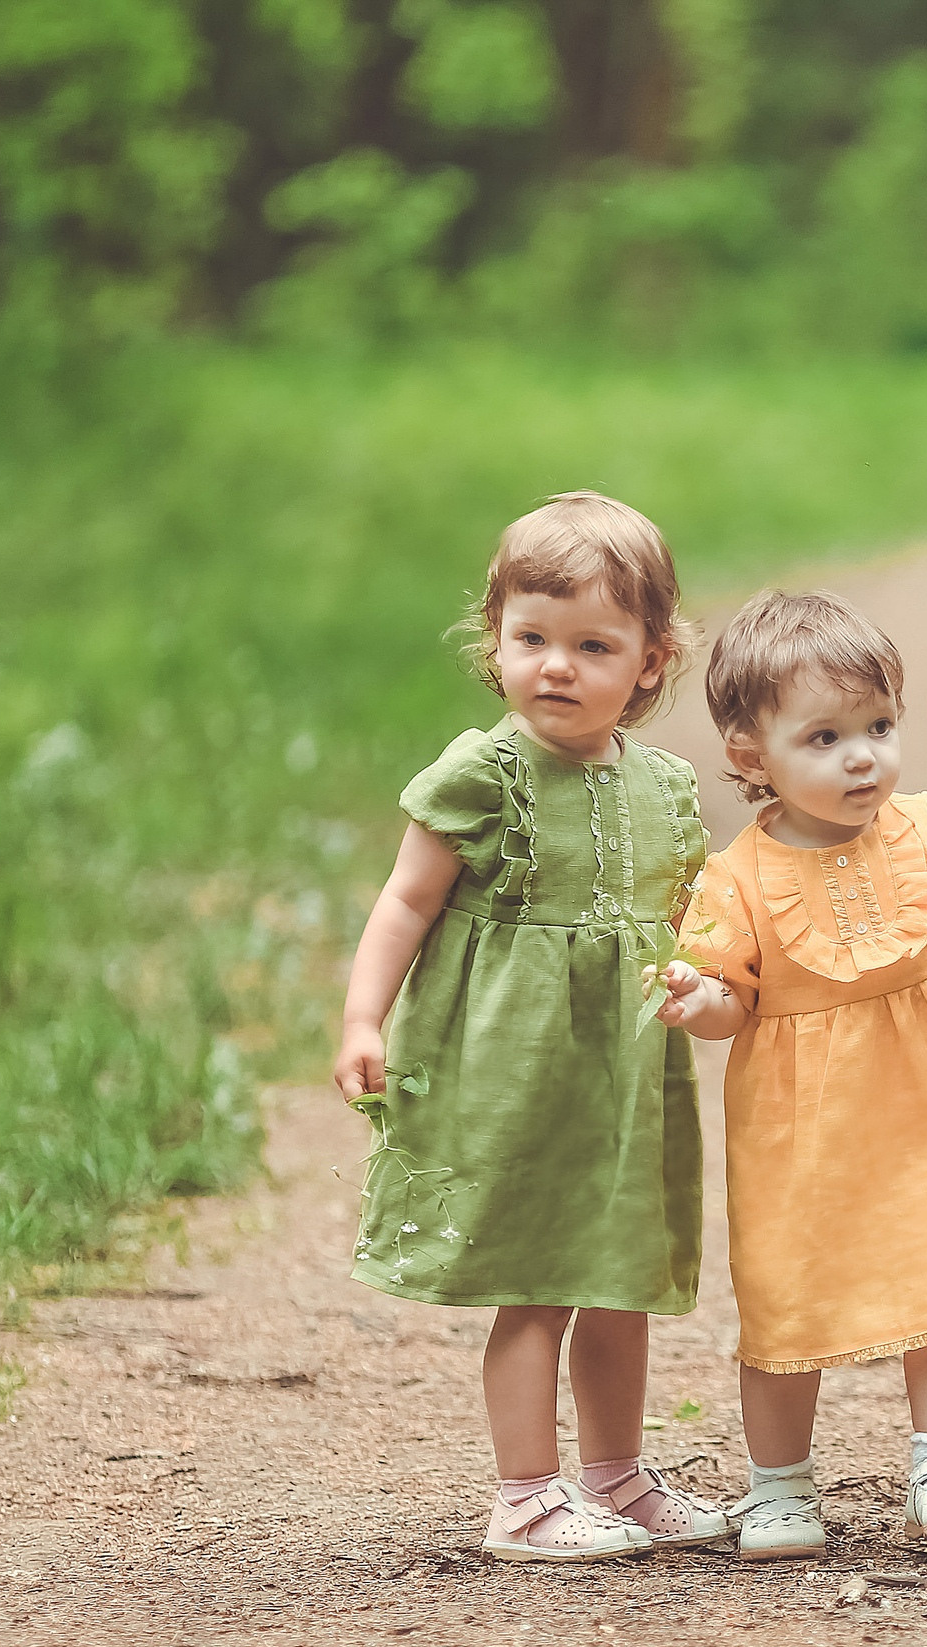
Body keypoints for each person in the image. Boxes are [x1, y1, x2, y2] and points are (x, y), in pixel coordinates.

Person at [332, 491, 730, 1562]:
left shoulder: (666, 786)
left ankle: (615, 1475)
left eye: (592, 644)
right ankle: (524, 1493)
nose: (556, 665)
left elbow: (693, 927)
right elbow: (407, 901)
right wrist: (364, 1014)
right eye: (531, 638)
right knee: (540, 1276)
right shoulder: (483, 773)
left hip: (625, 1070)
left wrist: (716, 985)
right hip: (512, 1067)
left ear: (651, 661)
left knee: (618, 1273)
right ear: (495, 641)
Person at [654, 589, 927, 1559]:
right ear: (751, 754)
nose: (862, 756)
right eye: (826, 736)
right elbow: (731, 1004)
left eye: (880, 725)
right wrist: (693, 998)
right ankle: (777, 1488)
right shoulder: (737, 877)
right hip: (804, 1133)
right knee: (786, 1294)